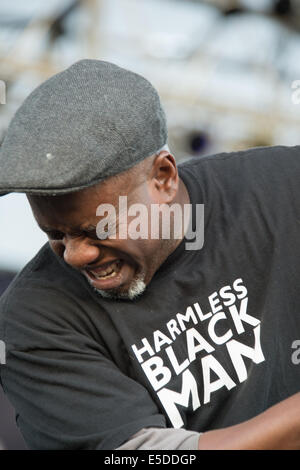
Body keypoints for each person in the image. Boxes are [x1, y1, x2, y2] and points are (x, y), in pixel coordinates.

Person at [0, 59, 299, 450]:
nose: (75, 255)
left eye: (98, 230)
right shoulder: (34, 319)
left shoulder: (283, 189)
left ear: (163, 177)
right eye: (55, 234)